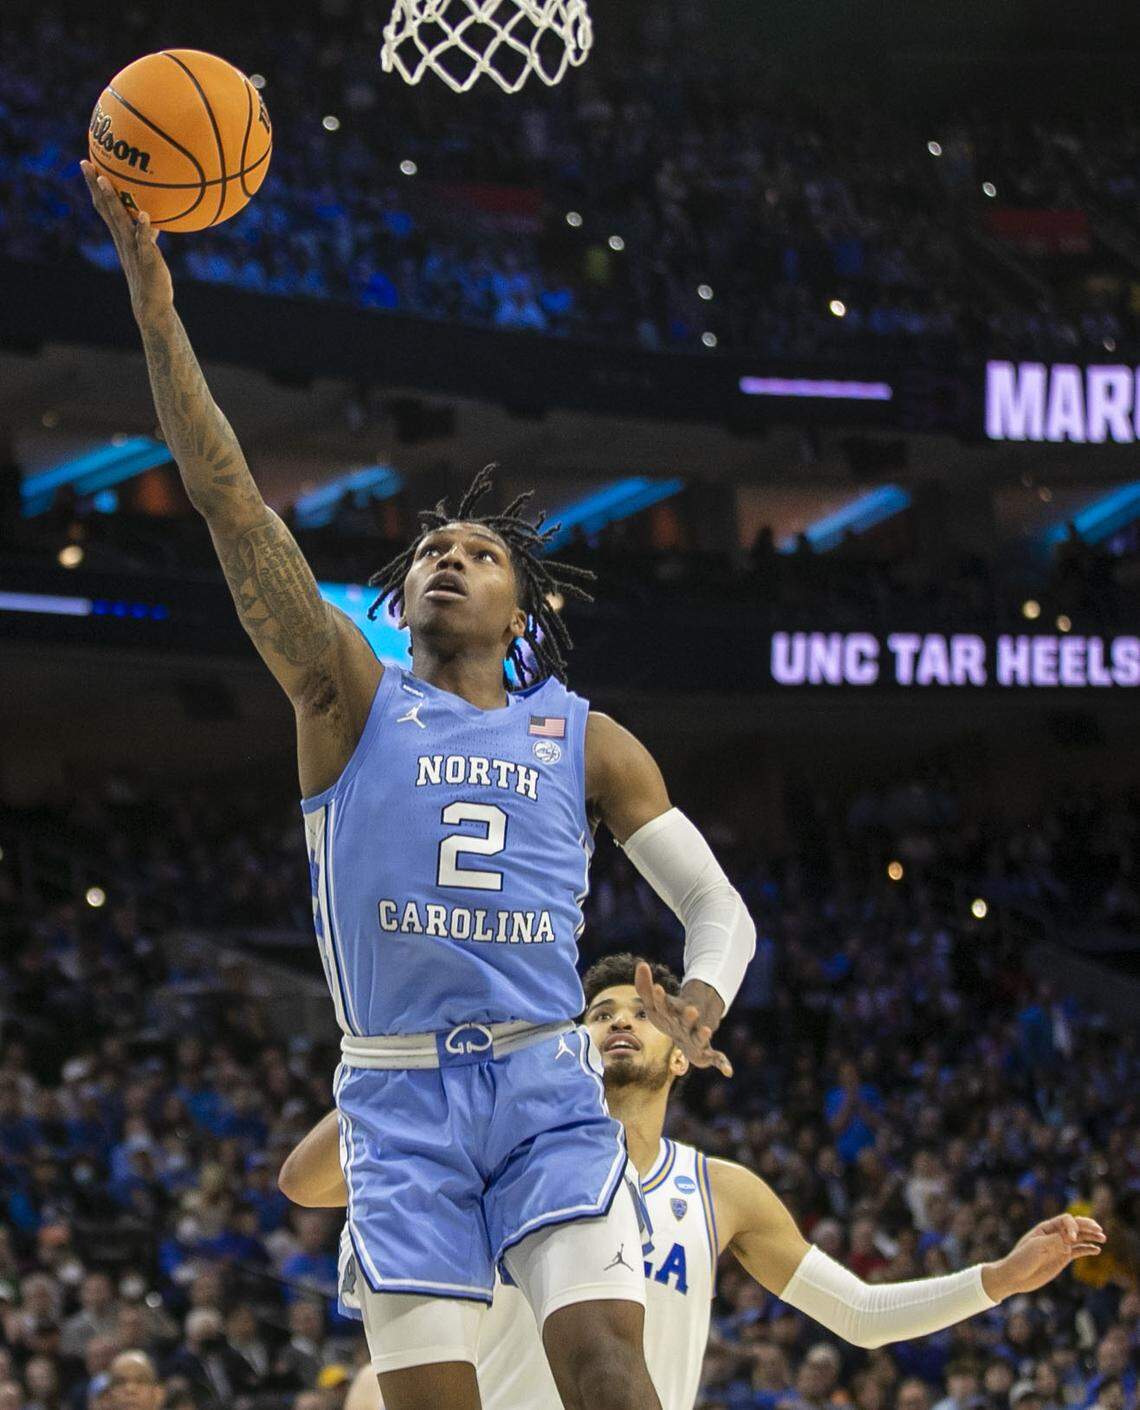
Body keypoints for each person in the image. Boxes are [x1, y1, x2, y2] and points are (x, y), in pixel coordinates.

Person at [82, 163, 757, 1410]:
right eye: (432, 549)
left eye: (481, 550)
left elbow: (719, 911)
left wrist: (700, 1001)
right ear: (401, 598)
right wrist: (156, 310)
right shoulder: (344, 694)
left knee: (609, 1363)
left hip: (548, 1085)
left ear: (521, 604)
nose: (452, 557)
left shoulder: (588, 739)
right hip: (395, 1099)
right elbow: (232, 503)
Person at [280, 954, 1106, 1410]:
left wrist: (996, 1282)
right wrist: (424, 1066)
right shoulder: (492, 1150)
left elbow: (858, 1315)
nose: (618, 1021)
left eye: (639, 1012)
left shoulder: (722, 1192)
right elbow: (307, 1181)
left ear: (684, 1055)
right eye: (598, 1013)